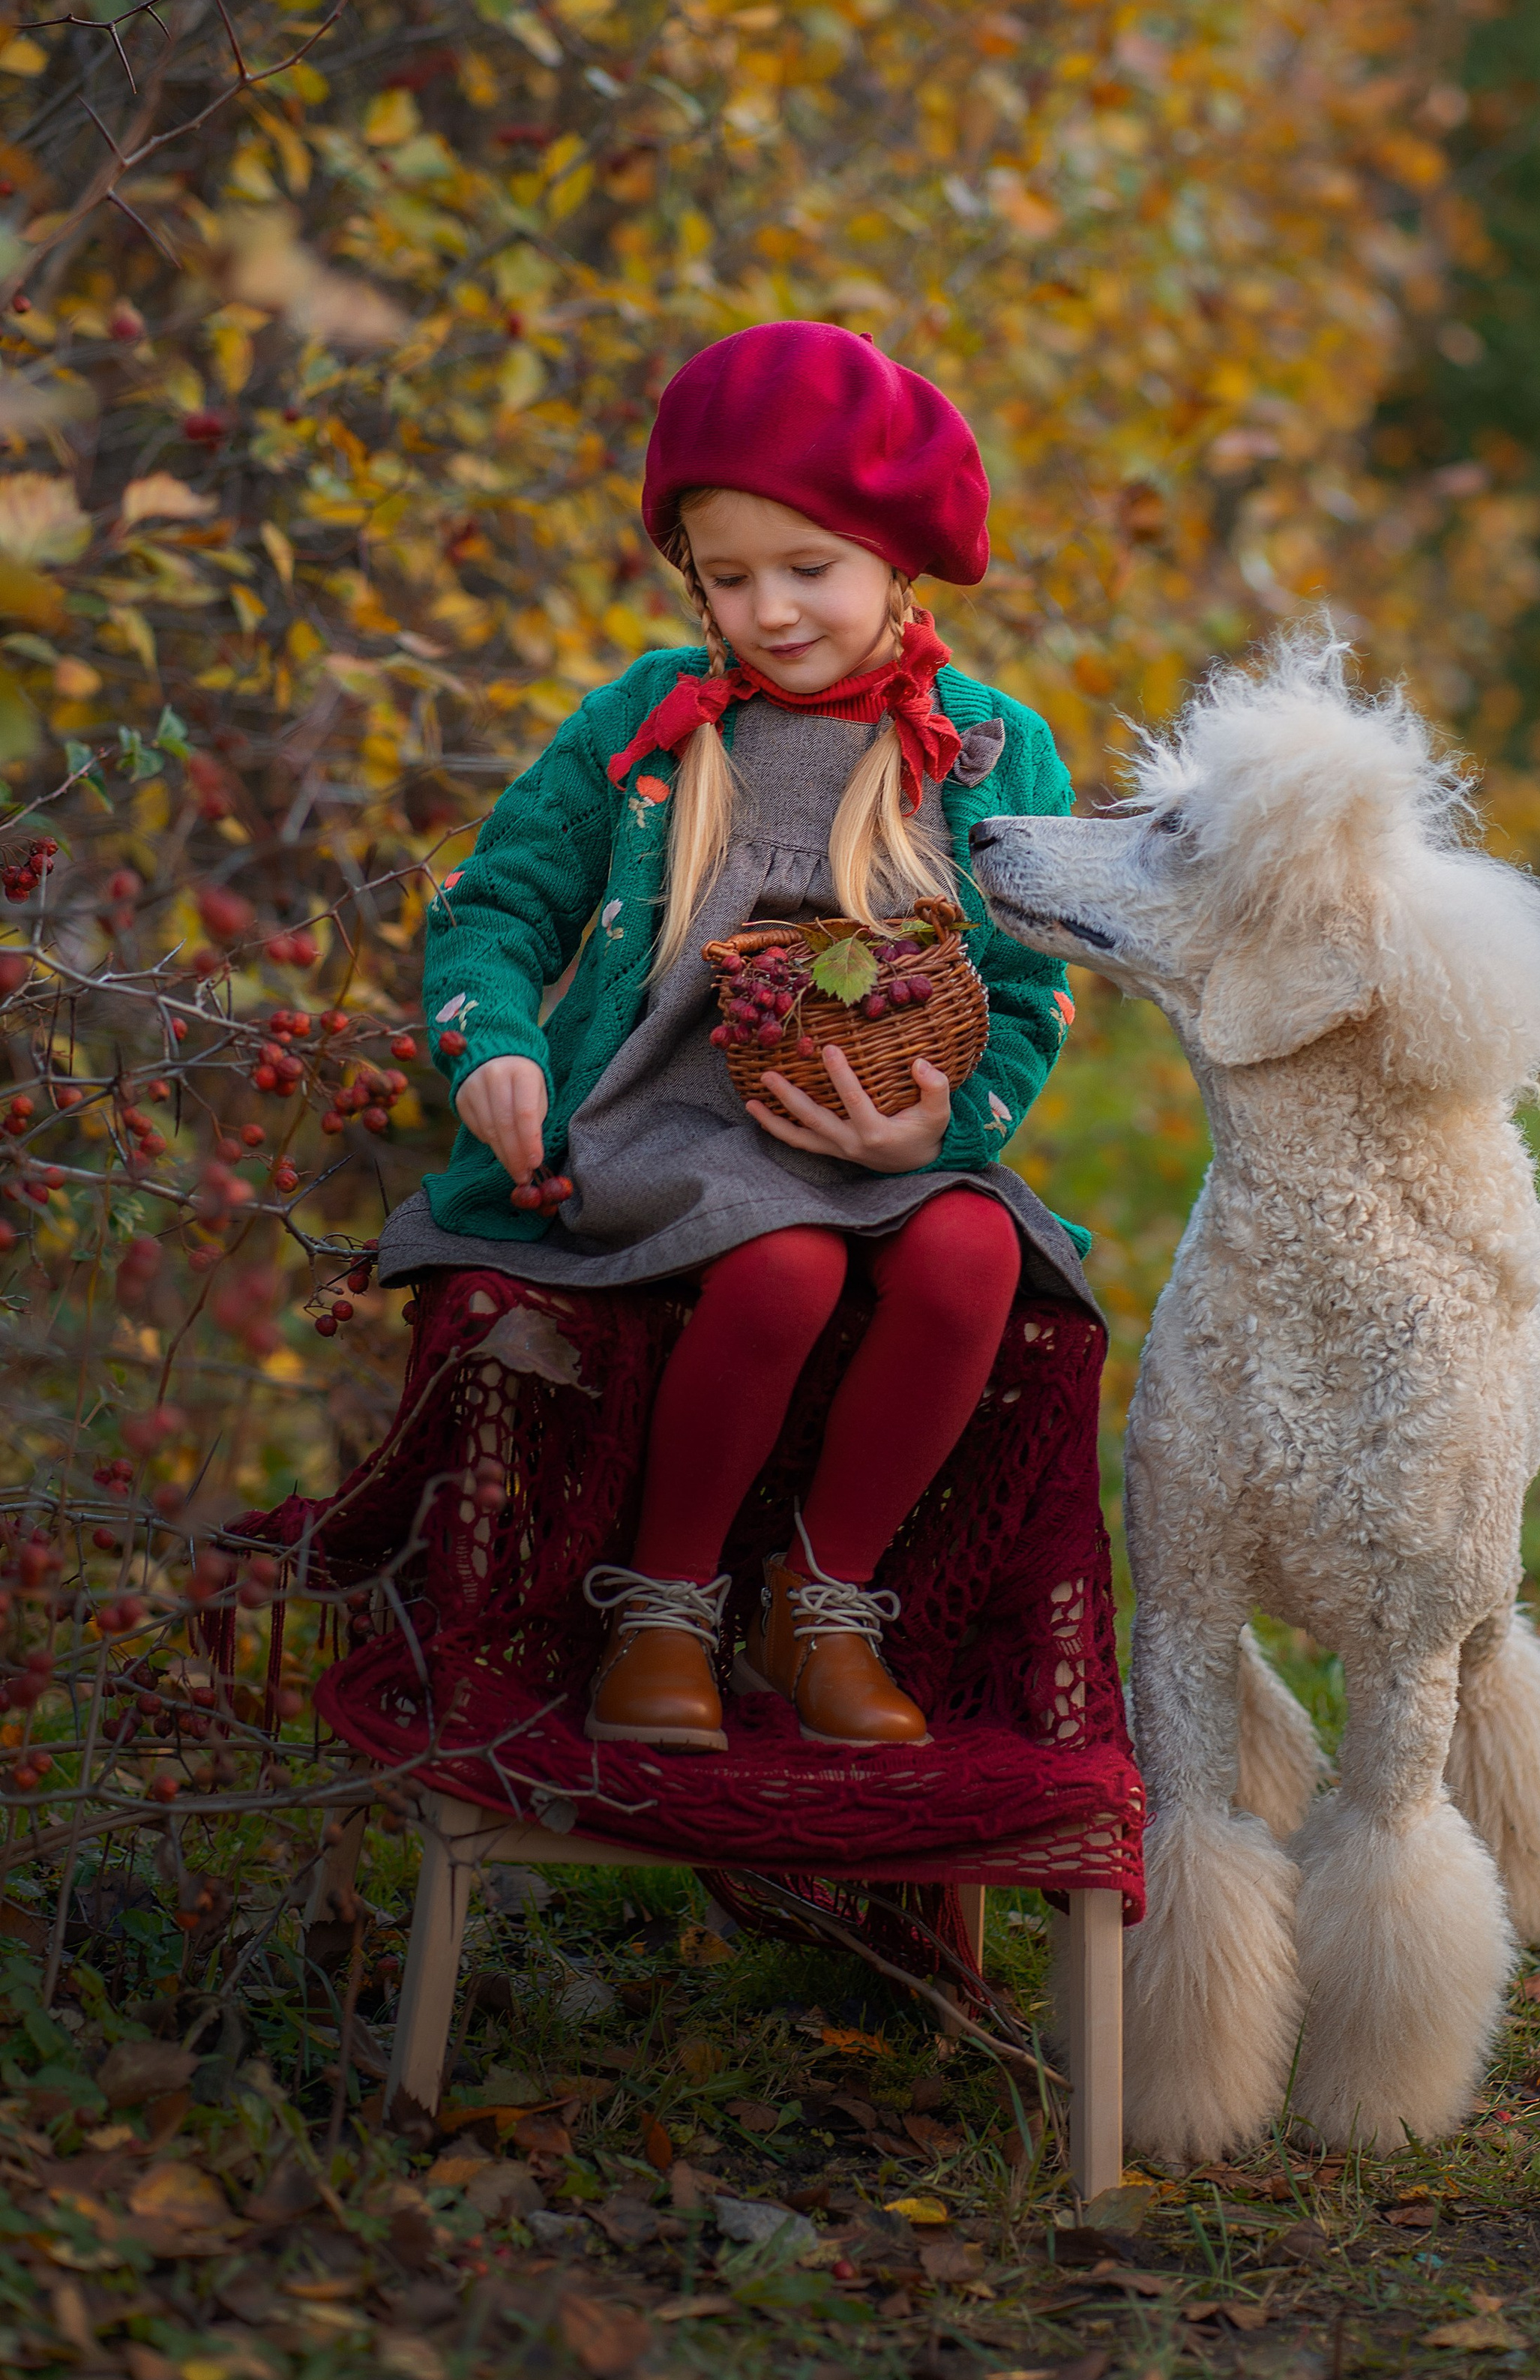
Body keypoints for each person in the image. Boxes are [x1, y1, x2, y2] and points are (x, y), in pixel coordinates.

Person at [376, 320, 1093, 1758]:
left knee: (973, 1254)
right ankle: (665, 1605)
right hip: (672, 1127)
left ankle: (821, 1604)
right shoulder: (651, 721)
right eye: (730, 575)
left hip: (883, 1134)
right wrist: (495, 1047)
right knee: (783, 1262)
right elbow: (501, 902)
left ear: (899, 559)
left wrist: (940, 1135)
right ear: (689, 578)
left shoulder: (990, 747)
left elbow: (1027, 994)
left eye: (809, 568)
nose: (770, 610)